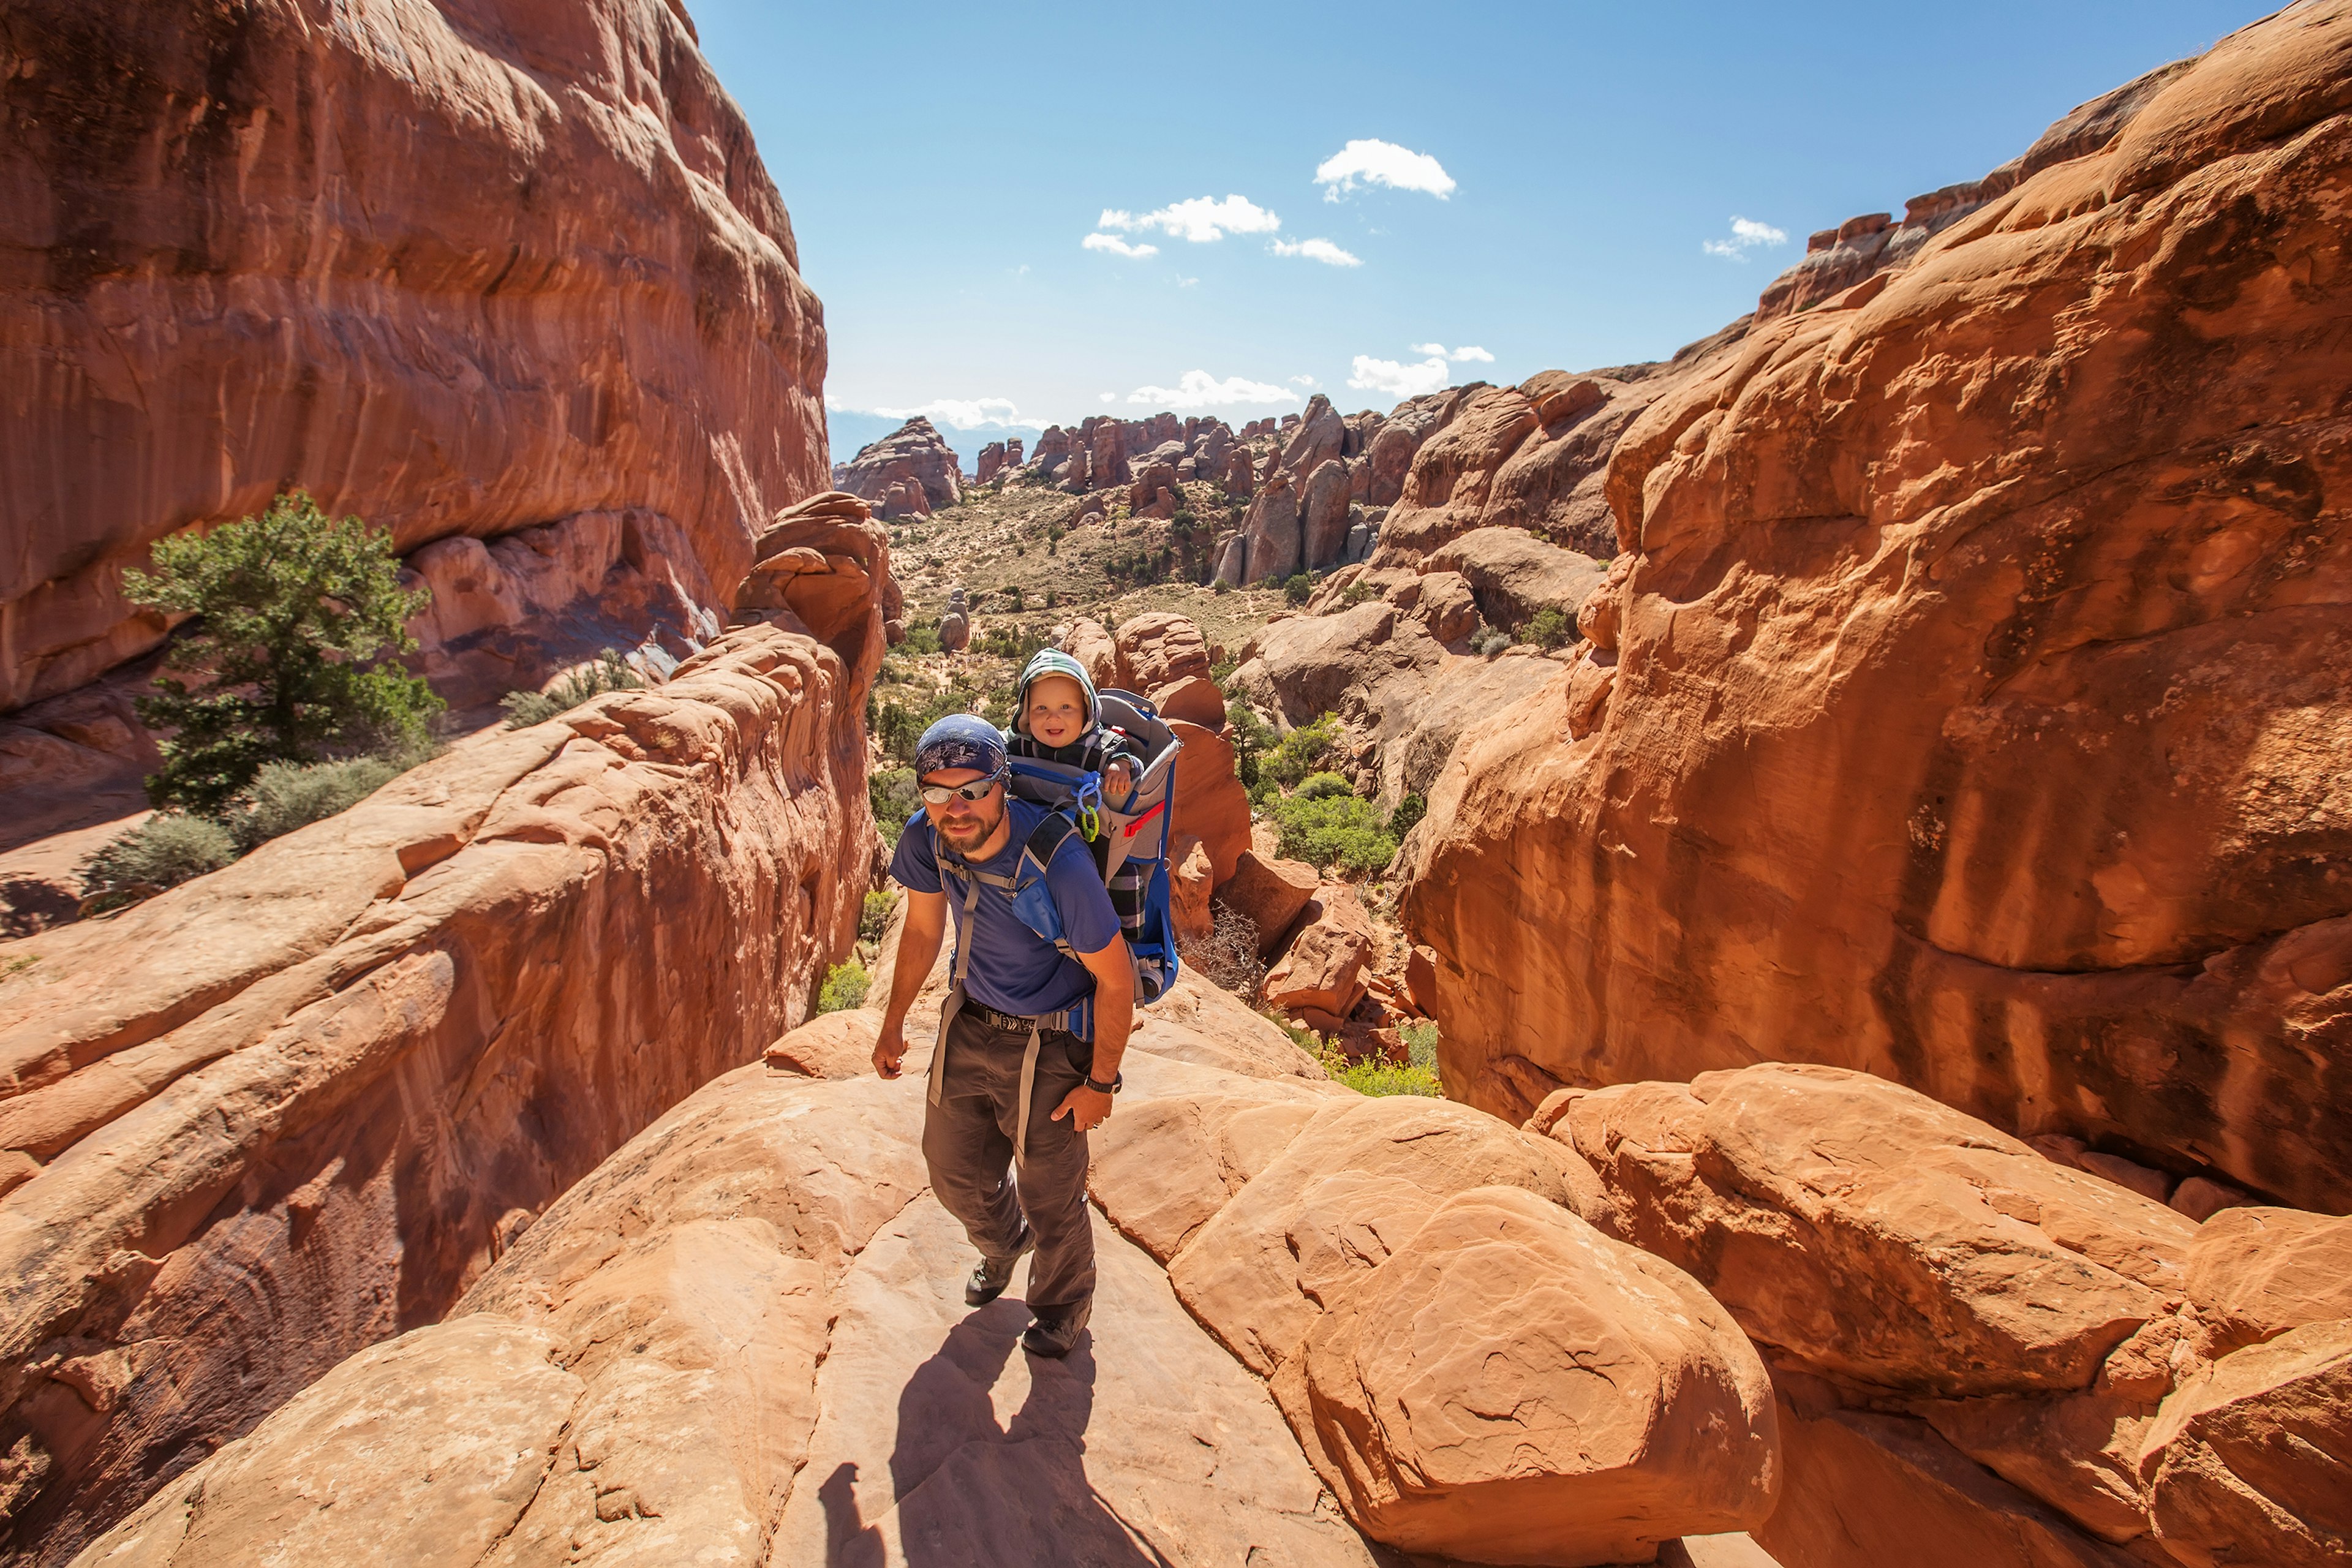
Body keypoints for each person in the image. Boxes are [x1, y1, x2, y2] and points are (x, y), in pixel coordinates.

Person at [872, 713, 1132, 1359]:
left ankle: (1063, 1305)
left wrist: (1101, 1082)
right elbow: (925, 930)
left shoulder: (1059, 859)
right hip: (972, 1023)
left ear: (1002, 783)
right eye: (936, 791)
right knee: (952, 1171)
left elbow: (1117, 979)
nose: (953, 807)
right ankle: (1002, 1244)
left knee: (1051, 1190)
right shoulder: (928, 840)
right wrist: (894, 1018)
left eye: (972, 789)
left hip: (1052, 1044)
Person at [1000, 650, 1150, 946]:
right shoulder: (1019, 744)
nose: (1053, 717)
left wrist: (1120, 767)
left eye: (1066, 707)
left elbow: (1130, 759)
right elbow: (994, 746)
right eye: (1040, 708)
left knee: (1125, 877)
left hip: (1092, 841)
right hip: (1033, 837)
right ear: (1025, 713)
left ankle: (1131, 946)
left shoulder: (1099, 744)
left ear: (1087, 712)